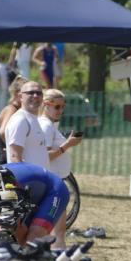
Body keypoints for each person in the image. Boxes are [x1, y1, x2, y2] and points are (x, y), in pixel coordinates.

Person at [38, 89, 82, 250]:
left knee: (58, 230)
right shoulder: (46, 126)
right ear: (46, 105)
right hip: (53, 183)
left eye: (63, 106)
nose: (61, 110)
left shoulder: (49, 125)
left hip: (56, 181)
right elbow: (45, 156)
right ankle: (59, 257)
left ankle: (58, 256)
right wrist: (67, 145)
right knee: (58, 231)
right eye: (57, 106)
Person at [0, 161, 69, 246]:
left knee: (33, 237)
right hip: (30, 191)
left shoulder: (8, 188)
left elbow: (11, 225)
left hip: (55, 190)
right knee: (17, 237)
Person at [4, 80, 49, 169]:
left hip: (39, 177)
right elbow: (15, 157)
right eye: (30, 93)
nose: (35, 96)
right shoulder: (20, 120)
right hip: (29, 177)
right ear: (20, 96)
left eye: (39, 93)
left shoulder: (32, 118)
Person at [0, 76, 26, 163]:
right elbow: (2, 132)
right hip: (7, 159)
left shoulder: (18, 110)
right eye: (27, 93)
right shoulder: (11, 109)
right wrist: (15, 150)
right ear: (17, 94)